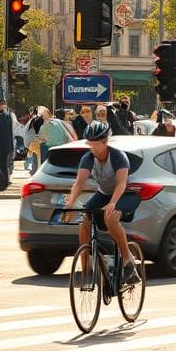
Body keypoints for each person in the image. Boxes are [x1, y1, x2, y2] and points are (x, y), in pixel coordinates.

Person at [63, 121, 141, 286]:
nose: (92, 147)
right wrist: (70, 203)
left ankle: (128, 260)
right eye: (89, 143)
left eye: (95, 143)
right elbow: (79, 183)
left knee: (110, 218)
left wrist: (112, 203)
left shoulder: (118, 157)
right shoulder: (88, 158)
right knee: (85, 219)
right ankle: (86, 270)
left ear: (105, 141)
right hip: (104, 194)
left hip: (126, 194)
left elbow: (121, 183)